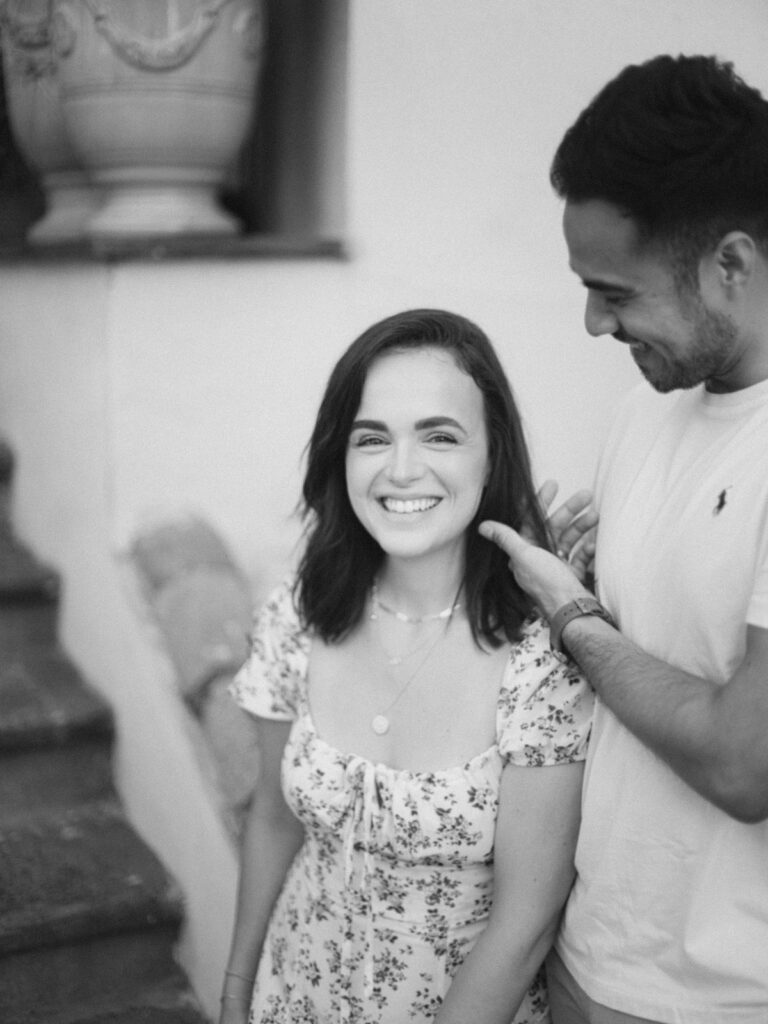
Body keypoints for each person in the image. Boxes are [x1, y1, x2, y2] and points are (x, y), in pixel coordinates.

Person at [480, 54, 768, 1024]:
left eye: (616, 291)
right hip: (588, 959)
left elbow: (746, 760)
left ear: (730, 262)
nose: (594, 321)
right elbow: (669, 630)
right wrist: (577, 568)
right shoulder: (646, 409)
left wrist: (576, 616)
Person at [219, 309, 594, 1024]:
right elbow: (272, 819)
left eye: (440, 436)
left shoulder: (542, 658)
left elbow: (526, 925)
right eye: (371, 439)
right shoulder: (296, 618)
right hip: (291, 997)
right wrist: (237, 989)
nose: (400, 470)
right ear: (341, 456)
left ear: (492, 457)